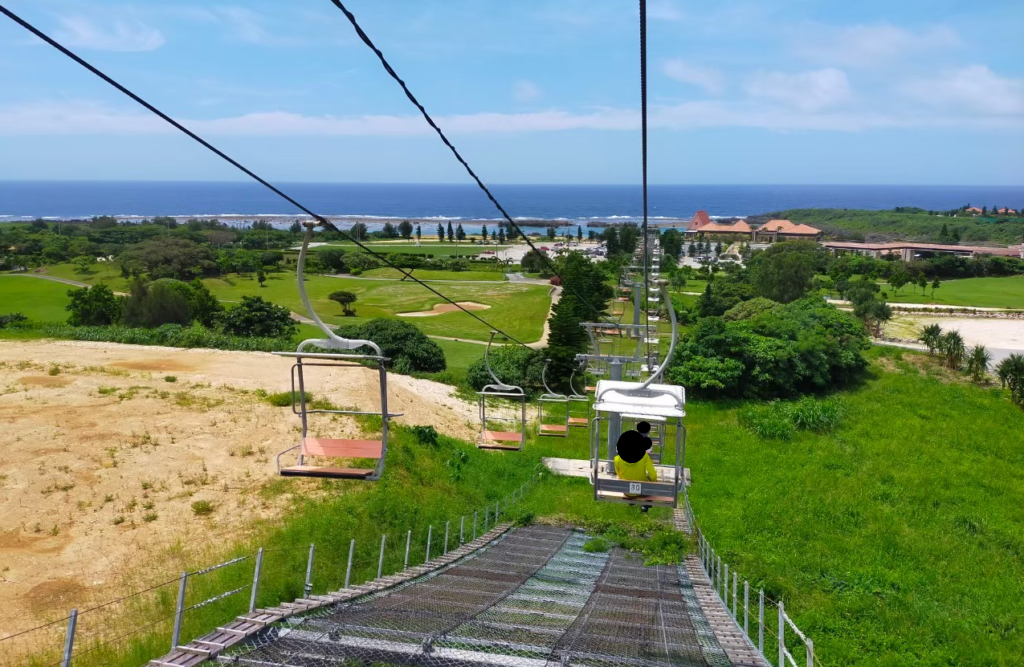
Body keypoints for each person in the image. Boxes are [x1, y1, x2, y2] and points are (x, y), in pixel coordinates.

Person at [613, 422, 657, 512]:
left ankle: (631, 499)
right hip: (643, 491)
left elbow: (619, 475)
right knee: (649, 483)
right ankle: (645, 505)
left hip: (627, 491)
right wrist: (653, 482)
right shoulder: (644, 456)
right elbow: (653, 475)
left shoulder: (617, 459)